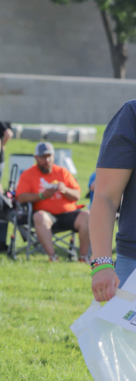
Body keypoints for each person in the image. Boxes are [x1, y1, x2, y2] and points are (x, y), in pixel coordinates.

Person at [90, 100, 136, 302]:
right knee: (124, 335)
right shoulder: (132, 114)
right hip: (133, 261)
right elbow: (105, 197)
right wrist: (102, 264)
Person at [16, 141, 90, 262]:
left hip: (68, 214)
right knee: (40, 216)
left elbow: (77, 195)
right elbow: (20, 197)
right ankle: (53, 256)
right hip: (46, 216)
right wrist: (42, 195)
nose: (47, 160)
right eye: (43, 157)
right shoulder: (28, 174)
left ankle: (83, 256)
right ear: (36, 158)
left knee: (87, 215)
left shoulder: (62, 172)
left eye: (49, 156)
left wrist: (65, 190)